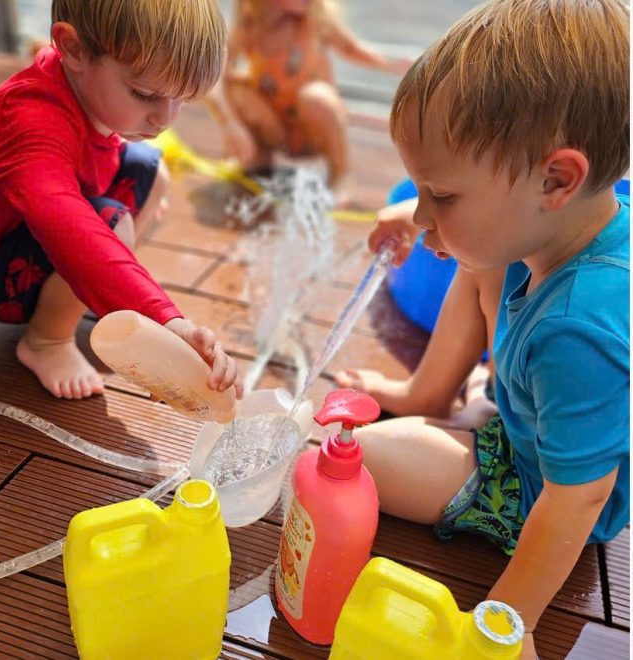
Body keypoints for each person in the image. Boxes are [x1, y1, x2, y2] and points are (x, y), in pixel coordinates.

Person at [337, 1, 630, 657]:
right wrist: (419, 212)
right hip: (527, 410)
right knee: (481, 260)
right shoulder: (579, 218)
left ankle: (468, 413)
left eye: (440, 196)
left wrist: (505, 623)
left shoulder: (579, 331)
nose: (424, 214)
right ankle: (433, 395)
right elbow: (482, 231)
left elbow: (578, 501)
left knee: (361, 456)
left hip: (537, 488)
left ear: (557, 179)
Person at [0, 0, 242, 401]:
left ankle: (97, 292)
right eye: (144, 93)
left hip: (27, 231)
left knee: (151, 171)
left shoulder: (79, 81)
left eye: (180, 99)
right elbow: (71, 229)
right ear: (74, 49)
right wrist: (166, 321)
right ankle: (47, 339)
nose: (165, 119)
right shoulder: (31, 119)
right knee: (111, 223)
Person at [207, 0, 413, 205]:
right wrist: (231, 124)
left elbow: (351, 48)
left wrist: (391, 65)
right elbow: (216, 77)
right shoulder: (249, 26)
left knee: (315, 96)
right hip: (278, 130)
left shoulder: (315, 18)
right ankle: (258, 158)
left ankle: (340, 175)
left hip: (308, 132)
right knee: (237, 88)